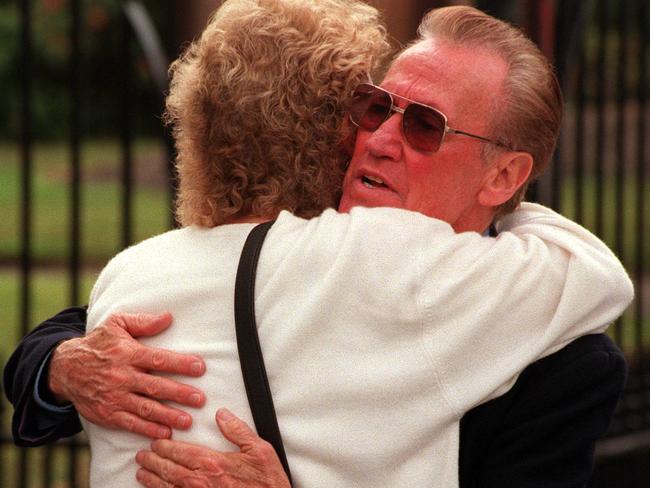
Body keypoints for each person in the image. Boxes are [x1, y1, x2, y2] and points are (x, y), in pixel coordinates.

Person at [3, 3, 632, 488]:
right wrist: (60, 367)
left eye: (423, 125)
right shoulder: (294, 249)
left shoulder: (563, 367)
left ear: (503, 176)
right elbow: (79, 330)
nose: (382, 138)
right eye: (375, 107)